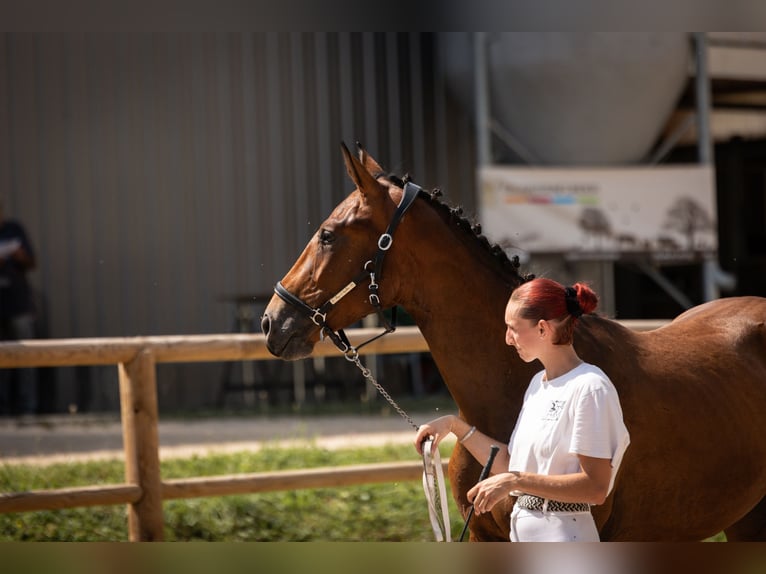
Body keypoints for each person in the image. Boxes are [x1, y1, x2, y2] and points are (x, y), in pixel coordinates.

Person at [414, 278, 630, 542]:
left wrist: (515, 482)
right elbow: (510, 463)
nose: (507, 339)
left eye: (513, 328)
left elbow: (595, 488)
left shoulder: (591, 388)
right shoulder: (537, 385)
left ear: (542, 329)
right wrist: (453, 426)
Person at [0, 198, 38, 415]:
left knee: (27, 358)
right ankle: (3, 410)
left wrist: (18, 256)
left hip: (19, 306)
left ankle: (28, 409)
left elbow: (32, 262)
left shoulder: (14, 229)